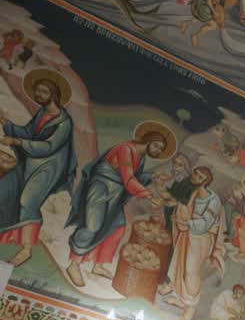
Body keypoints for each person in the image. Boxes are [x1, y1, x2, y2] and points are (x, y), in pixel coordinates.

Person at [0, 69, 77, 267]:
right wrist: (4, 121)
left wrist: (17, 141)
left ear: (54, 95)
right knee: (1, 191)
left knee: (28, 201)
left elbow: (49, 146)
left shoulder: (64, 122)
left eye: (44, 92)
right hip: (30, 161)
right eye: (37, 91)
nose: (39, 95)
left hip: (49, 168)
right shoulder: (42, 113)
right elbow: (28, 133)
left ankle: (26, 250)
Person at [65, 121, 175, 288]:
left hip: (116, 193)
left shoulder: (140, 157)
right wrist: (149, 195)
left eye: (161, 149)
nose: (158, 151)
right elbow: (128, 179)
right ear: (148, 140)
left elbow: (133, 178)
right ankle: (74, 264)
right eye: (157, 146)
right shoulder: (126, 149)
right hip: (101, 188)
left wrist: (153, 176)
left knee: (117, 228)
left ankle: (98, 265)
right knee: (92, 226)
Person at [159, 166, 224, 320]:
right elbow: (182, 207)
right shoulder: (192, 192)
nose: (196, 177)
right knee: (178, 263)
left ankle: (191, 308)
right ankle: (180, 297)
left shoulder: (213, 201)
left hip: (202, 238)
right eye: (195, 173)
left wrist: (186, 222)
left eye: (200, 177)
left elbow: (205, 224)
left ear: (205, 182)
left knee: (190, 270)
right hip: (188, 231)